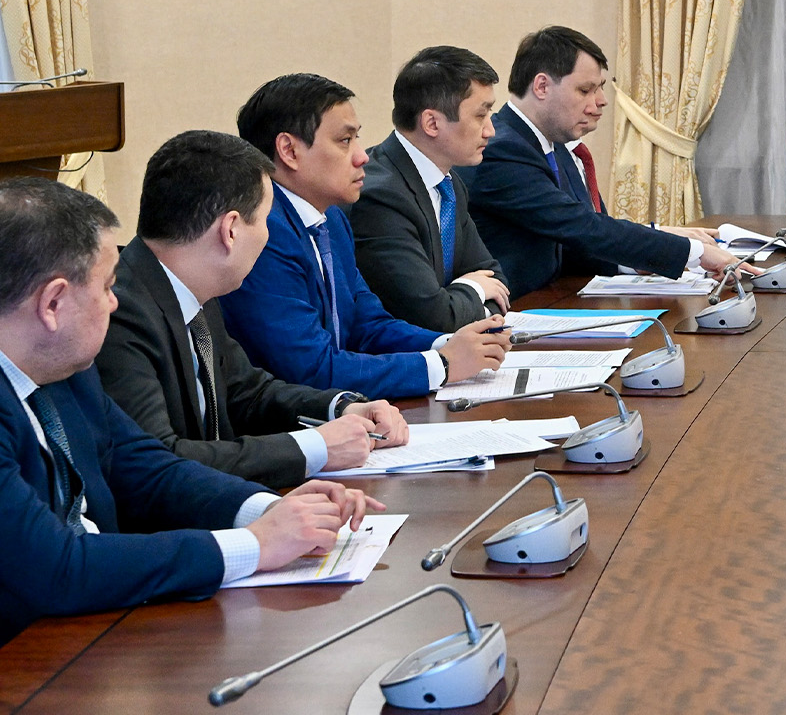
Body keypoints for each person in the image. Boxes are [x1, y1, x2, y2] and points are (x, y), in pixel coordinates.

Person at [0, 177, 380, 643]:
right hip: (30, 655)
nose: (115, 303)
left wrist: (270, 509)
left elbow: (146, 468)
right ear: (53, 303)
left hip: (94, 628)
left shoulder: (62, 366)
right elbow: (56, 568)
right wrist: (255, 545)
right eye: (107, 287)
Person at [96, 131, 411, 488]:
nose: (268, 234)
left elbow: (247, 391)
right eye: (264, 220)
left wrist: (341, 408)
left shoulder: (192, 286)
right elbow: (161, 460)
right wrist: (314, 448)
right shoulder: (119, 313)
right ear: (230, 230)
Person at [222, 74, 509, 398]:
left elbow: (368, 325)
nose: (362, 157)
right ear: (289, 150)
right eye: (345, 141)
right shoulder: (263, 234)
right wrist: (441, 365)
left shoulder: (331, 219)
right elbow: (312, 369)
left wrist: (450, 344)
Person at [462, 26, 745, 297]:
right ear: (542, 86)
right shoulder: (503, 150)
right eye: (585, 90)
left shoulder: (553, 145)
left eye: (599, 88)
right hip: (513, 311)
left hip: (551, 299)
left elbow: (571, 242)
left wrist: (645, 258)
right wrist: (693, 252)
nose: (601, 101)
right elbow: (581, 227)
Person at [351, 46, 511, 332]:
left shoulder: (449, 184)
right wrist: (474, 288)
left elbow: (495, 280)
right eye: (480, 116)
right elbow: (434, 316)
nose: (490, 130)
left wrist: (469, 298)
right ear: (432, 123)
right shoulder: (380, 196)